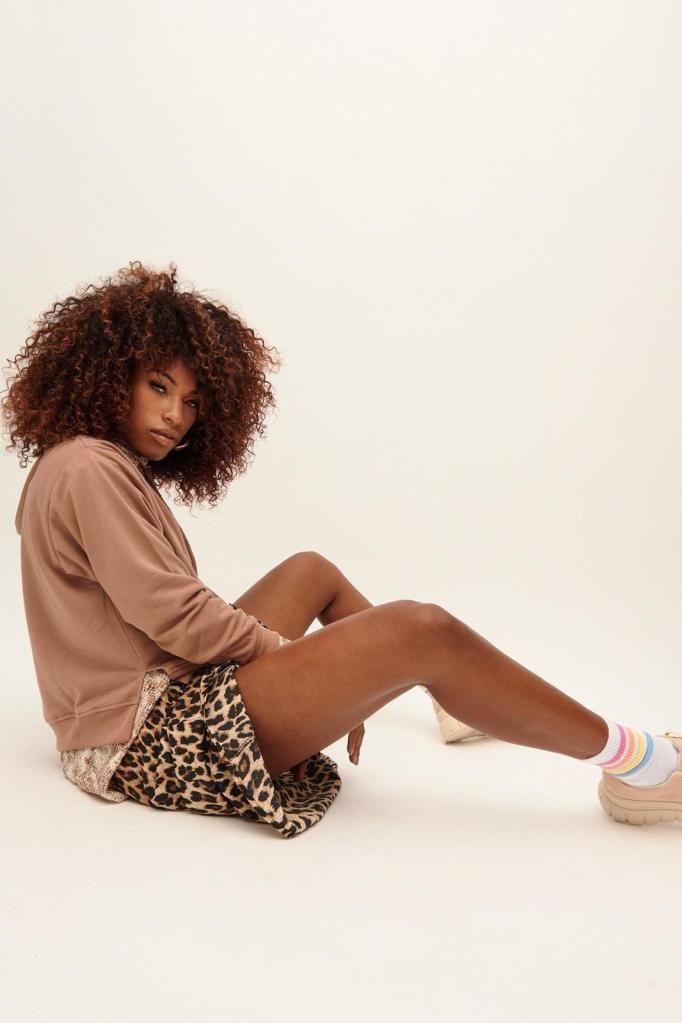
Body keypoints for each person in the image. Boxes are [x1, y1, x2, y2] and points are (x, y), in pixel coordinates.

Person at [4, 261, 681, 840]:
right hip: (148, 738)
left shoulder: (84, 463)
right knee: (423, 629)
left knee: (311, 571)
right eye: (158, 386)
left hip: (151, 705)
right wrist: (301, 666)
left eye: (192, 401)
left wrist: (328, 679)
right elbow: (174, 614)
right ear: (108, 374)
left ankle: (457, 695)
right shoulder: (89, 468)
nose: (176, 415)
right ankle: (642, 766)